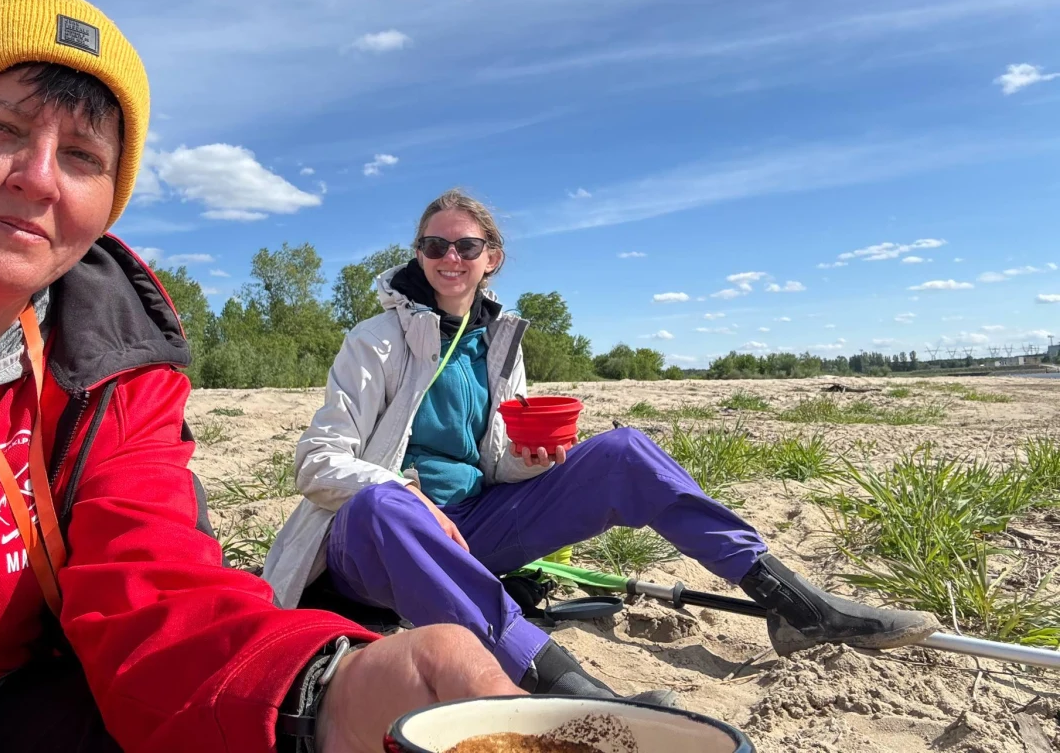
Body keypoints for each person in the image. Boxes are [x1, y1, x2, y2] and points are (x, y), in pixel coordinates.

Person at [0, 0, 521, 753]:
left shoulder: (112, 356)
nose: (39, 177)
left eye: (81, 154)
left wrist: (320, 693)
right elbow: (324, 459)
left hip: (35, 692)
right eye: (0, 128)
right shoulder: (375, 336)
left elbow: (151, 579)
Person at [263, 189, 941, 699]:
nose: (449, 257)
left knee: (624, 450)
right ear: (418, 255)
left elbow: (491, 459)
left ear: (489, 258)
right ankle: (567, 687)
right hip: (375, 549)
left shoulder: (500, 344)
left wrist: (524, 462)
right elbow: (316, 462)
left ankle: (793, 602)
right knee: (386, 508)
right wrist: (400, 492)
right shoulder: (374, 340)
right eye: (434, 245)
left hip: (471, 531)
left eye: (465, 246)